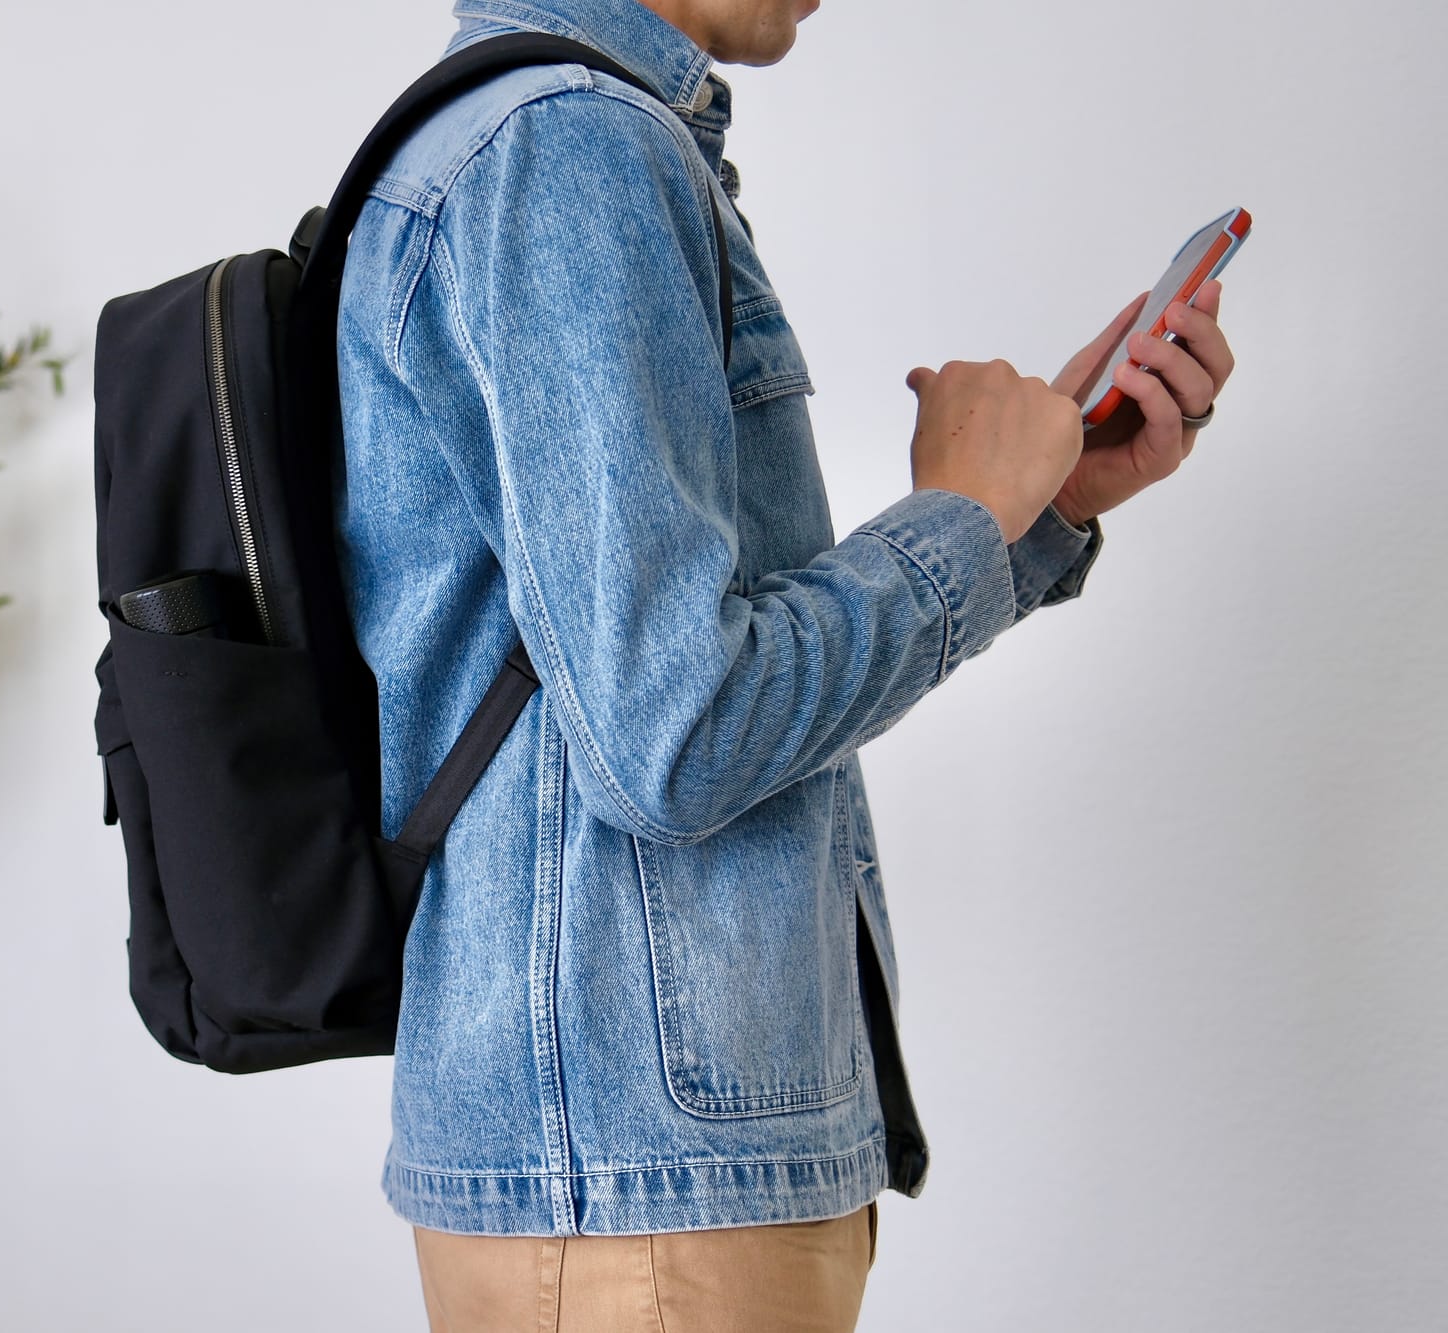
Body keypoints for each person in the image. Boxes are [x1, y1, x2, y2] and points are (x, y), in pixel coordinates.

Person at [331, 0, 1236, 1327]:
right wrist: (963, 519)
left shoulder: (542, 136)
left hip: (640, 1180)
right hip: (645, 1195)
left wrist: (1031, 512)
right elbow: (678, 735)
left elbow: (652, 687)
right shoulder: (567, 147)